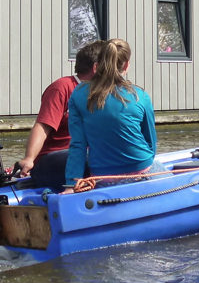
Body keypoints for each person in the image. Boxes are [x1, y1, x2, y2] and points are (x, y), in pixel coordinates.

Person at [65, 38, 158, 187]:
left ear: (98, 64)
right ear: (126, 65)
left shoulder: (79, 94)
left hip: (102, 176)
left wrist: (71, 184)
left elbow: (78, 145)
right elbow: (151, 144)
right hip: (141, 169)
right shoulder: (140, 95)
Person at [15, 40, 105, 190]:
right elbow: (42, 127)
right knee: (94, 157)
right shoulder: (63, 88)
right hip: (51, 161)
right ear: (96, 68)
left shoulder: (101, 94)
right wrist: (29, 158)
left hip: (81, 154)